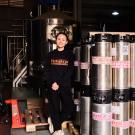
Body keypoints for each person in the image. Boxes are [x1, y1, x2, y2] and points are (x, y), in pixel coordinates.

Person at [44, 33, 75, 135]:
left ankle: (55, 122)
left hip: (64, 85)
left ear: (66, 42)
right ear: (56, 40)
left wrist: (59, 83)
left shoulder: (70, 55)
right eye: (59, 39)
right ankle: (57, 129)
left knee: (69, 106)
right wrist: (53, 83)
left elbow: (70, 71)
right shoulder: (50, 55)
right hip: (53, 86)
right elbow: (47, 71)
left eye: (63, 39)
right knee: (54, 107)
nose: (60, 41)